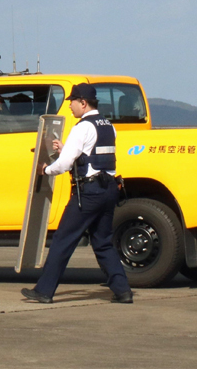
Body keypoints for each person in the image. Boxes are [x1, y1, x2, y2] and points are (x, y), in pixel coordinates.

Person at [21, 83, 133, 304]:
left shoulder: (82, 127)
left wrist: (45, 169)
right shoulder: (108, 126)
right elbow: (93, 156)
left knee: (63, 240)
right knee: (102, 242)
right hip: (109, 189)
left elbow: (63, 165)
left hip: (89, 192)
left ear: (83, 103)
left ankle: (44, 291)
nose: (70, 106)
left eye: (72, 101)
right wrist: (67, 149)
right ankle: (123, 290)